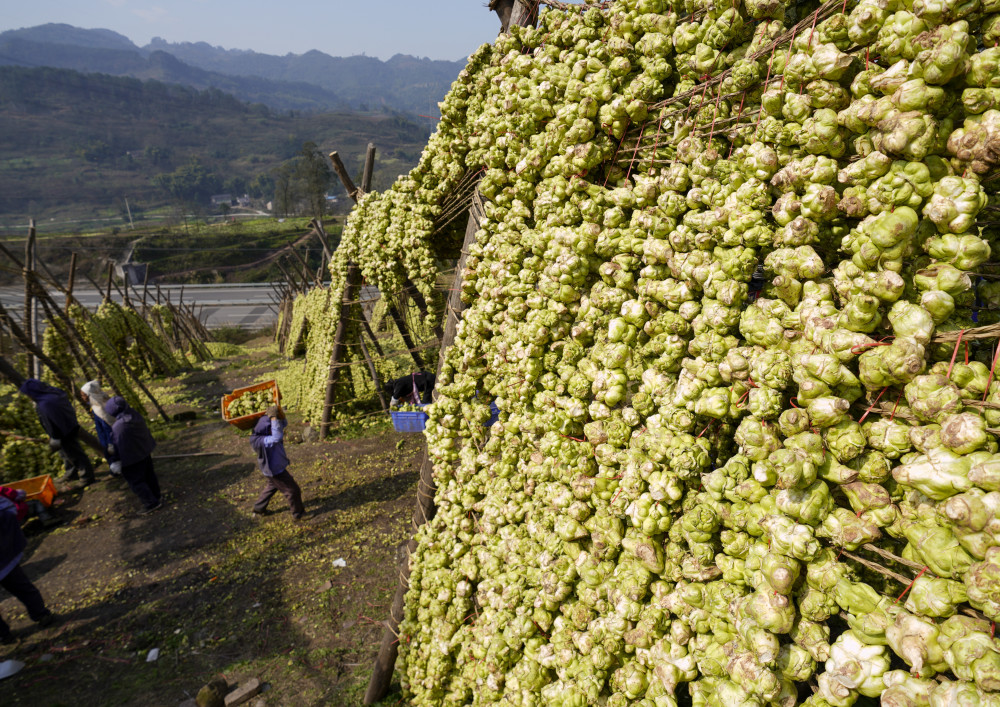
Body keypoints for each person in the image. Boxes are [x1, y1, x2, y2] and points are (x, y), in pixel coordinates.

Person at [0, 485, 56, 645]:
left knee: (21, 586)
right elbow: (9, 509)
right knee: (22, 586)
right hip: (5, 557)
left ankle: (4, 635)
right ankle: (41, 614)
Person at [18, 379, 95, 487]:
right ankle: (71, 473)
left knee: (75, 454)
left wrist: (55, 437)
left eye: (28, 393)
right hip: (65, 429)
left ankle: (87, 477)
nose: (28, 396)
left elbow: (54, 420)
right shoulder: (52, 393)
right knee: (65, 454)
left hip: (64, 431)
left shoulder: (47, 402)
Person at [104, 396, 162, 514]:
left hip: (131, 458)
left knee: (137, 482)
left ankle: (151, 503)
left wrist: (115, 459)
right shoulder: (134, 415)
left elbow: (118, 444)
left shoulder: (119, 426)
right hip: (144, 451)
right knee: (149, 476)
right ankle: (157, 496)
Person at [250, 405, 304, 519]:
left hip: (274, 468)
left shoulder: (266, 432)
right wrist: (274, 419)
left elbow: (283, 425)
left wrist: (280, 415)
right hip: (274, 470)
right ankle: (298, 514)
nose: (275, 427)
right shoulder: (258, 441)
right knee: (293, 490)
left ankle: (258, 509)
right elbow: (276, 437)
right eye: (272, 426)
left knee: (272, 486)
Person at [79, 381, 118, 477]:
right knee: (111, 457)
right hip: (104, 439)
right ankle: (115, 472)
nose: (82, 398)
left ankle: (120, 473)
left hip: (110, 439)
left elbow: (108, 427)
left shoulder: (101, 409)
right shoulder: (95, 406)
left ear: (90, 395)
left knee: (116, 457)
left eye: (83, 395)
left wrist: (110, 443)